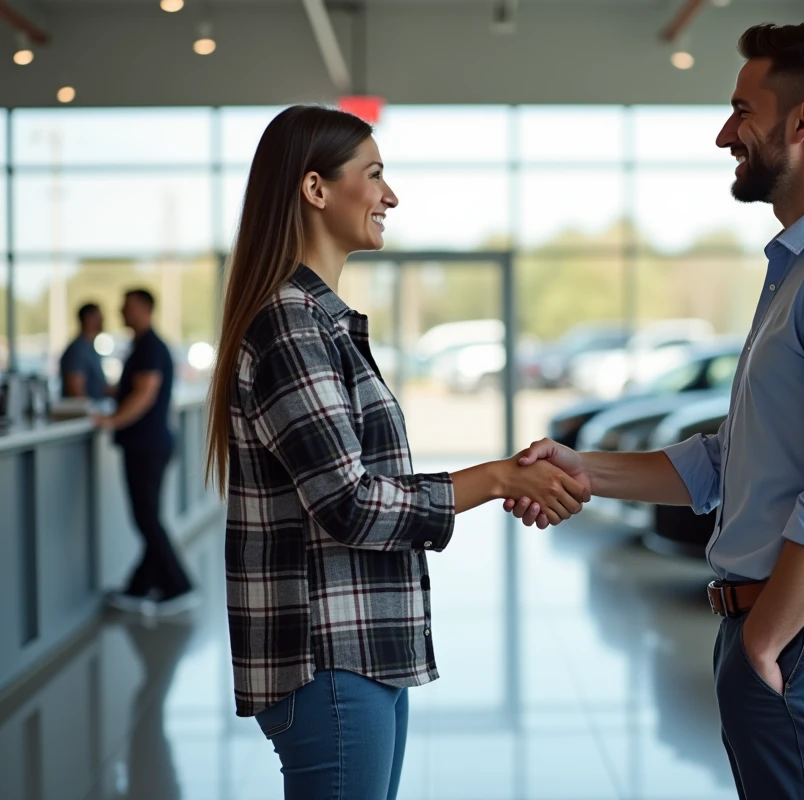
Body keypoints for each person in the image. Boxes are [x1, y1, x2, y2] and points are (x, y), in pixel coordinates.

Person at [506, 22, 804, 800]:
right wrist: (582, 469)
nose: (723, 134)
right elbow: (726, 462)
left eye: (742, 110)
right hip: (792, 628)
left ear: (803, 121)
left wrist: (764, 641)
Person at [203, 105, 590, 800]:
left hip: (359, 654)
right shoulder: (292, 325)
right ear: (315, 188)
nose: (391, 195)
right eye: (375, 174)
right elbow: (348, 503)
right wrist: (498, 477)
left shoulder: (319, 321)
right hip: (329, 660)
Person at [96, 289, 197, 616]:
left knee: (147, 519)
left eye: (126, 307)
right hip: (149, 443)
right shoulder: (144, 346)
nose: (121, 312)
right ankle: (139, 587)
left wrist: (112, 420)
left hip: (147, 445)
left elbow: (144, 394)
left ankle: (178, 587)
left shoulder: (150, 347)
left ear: (143, 308)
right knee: (148, 518)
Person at [60, 302, 111, 400]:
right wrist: (90, 409)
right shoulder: (78, 350)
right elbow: (75, 390)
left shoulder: (90, 348)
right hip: (83, 409)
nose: (103, 320)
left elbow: (98, 387)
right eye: (99, 317)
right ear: (88, 319)